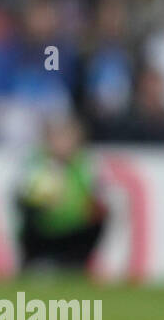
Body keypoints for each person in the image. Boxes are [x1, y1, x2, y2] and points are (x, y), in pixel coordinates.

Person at [15, 114, 107, 271]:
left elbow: (94, 194)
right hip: (42, 226)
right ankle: (35, 262)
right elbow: (22, 197)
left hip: (75, 227)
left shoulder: (84, 164)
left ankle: (79, 263)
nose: (63, 144)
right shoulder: (37, 162)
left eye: (67, 139)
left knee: (102, 215)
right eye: (59, 139)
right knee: (27, 212)